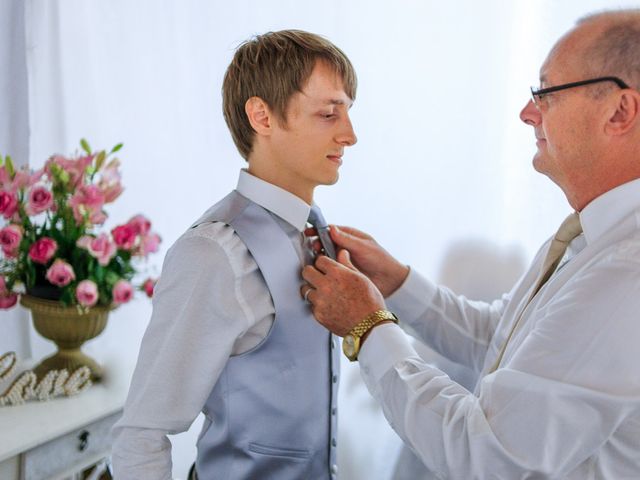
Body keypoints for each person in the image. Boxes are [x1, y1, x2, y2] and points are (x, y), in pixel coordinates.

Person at [301, 9, 640, 479]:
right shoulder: (592, 236)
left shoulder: (625, 271)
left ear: (620, 111)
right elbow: (500, 341)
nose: (527, 113)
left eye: (547, 92)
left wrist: (369, 327)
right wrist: (397, 283)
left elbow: (488, 458)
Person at [112, 29, 357, 480]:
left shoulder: (316, 230)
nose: (350, 135)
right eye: (329, 113)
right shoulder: (214, 253)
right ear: (261, 116)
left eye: (348, 113)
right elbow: (141, 435)